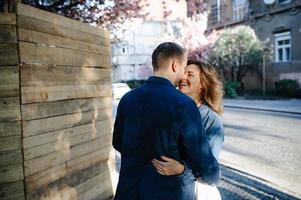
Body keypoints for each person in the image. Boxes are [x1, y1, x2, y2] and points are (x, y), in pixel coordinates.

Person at [112, 42, 220, 200]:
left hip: (128, 191)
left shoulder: (128, 99)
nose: (183, 75)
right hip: (167, 192)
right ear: (175, 65)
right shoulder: (183, 104)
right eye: (184, 69)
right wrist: (186, 171)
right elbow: (206, 167)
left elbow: (118, 142)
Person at [152, 60, 224, 200]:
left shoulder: (212, 120)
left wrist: (182, 170)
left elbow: (210, 172)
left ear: (203, 84)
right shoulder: (171, 110)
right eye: (183, 73)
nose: (183, 78)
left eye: (190, 74)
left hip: (196, 192)